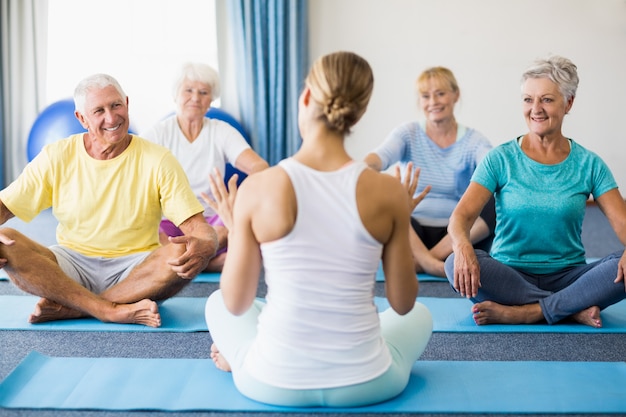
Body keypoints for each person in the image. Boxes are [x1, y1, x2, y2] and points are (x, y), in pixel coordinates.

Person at [204, 51, 433, 407]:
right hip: (369, 383)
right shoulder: (388, 192)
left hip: (271, 382)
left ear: (307, 96)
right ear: (360, 112)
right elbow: (403, 305)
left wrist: (235, 230)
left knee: (218, 302)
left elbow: (236, 302)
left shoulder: (259, 187)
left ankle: (239, 358)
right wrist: (400, 220)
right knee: (421, 315)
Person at [0, 73, 218, 327]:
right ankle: (107, 309)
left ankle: (78, 308)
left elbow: (198, 227)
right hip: (71, 264)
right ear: (81, 118)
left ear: (126, 103)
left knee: (182, 249)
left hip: (136, 270)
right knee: (6, 242)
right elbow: (5, 206)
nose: (111, 118)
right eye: (99, 111)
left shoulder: (158, 159)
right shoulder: (57, 155)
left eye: (116, 105)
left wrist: (207, 244)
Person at [445, 55, 626, 328]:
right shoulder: (500, 159)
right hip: (509, 274)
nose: (535, 109)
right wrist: (462, 247)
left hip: (570, 275)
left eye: (547, 100)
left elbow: (622, 223)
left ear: (569, 103)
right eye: (528, 99)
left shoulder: (590, 164)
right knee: (452, 263)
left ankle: (527, 312)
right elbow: (461, 218)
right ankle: (569, 308)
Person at [364, 66, 494, 277]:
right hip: (411, 232)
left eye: (440, 94)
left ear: (455, 95)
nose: (433, 102)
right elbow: (379, 157)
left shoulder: (474, 141)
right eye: (426, 96)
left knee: (498, 197)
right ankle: (435, 265)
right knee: (384, 191)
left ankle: (422, 261)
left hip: (456, 234)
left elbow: (494, 167)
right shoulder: (408, 133)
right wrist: (364, 170)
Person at [141, 62, 269, 272]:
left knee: (239, 217)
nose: (195, 98)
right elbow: (132, 169)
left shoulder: (221, 131)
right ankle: (209, 262)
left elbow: (260, 167)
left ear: (211, 100)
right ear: (176, 95)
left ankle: (188, 259)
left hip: (213, 223)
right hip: (169, 220)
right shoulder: (160, 132)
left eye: (203, 92)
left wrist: (242, 195)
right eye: (188, 90)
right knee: (144, 232)